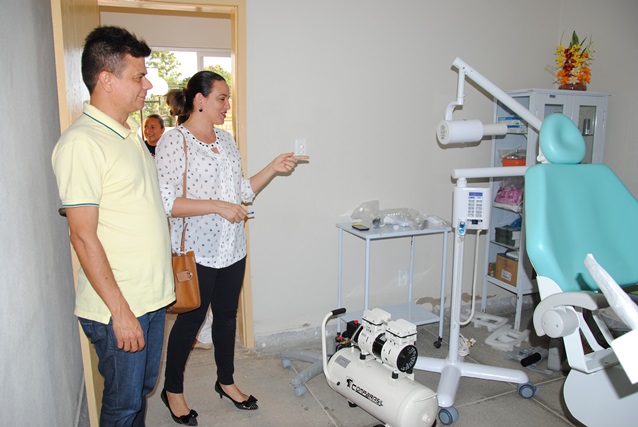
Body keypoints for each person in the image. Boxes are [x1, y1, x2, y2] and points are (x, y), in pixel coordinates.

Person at [155, 70, 308, 423]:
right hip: (197, 251)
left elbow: (240, 191)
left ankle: (226, 382)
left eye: (228, 99)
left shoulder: (225, 140)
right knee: (190, 322)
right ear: (199, 100)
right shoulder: (174, 141)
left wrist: (272, 168)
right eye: (221, 98)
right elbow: (166, 202)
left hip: (232, 248)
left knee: (226, 319)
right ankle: (172, 390)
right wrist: (217, 206)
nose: (227, 105)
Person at [51, 26, 174, 426]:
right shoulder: (81, 143)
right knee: (122, 407)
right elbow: (82, 235)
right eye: (139, 76)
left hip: (149, 299)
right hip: (120, 307)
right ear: (106, 79)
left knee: (139, 395)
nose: (147, 85)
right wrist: (120, 312)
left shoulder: (127, 135)